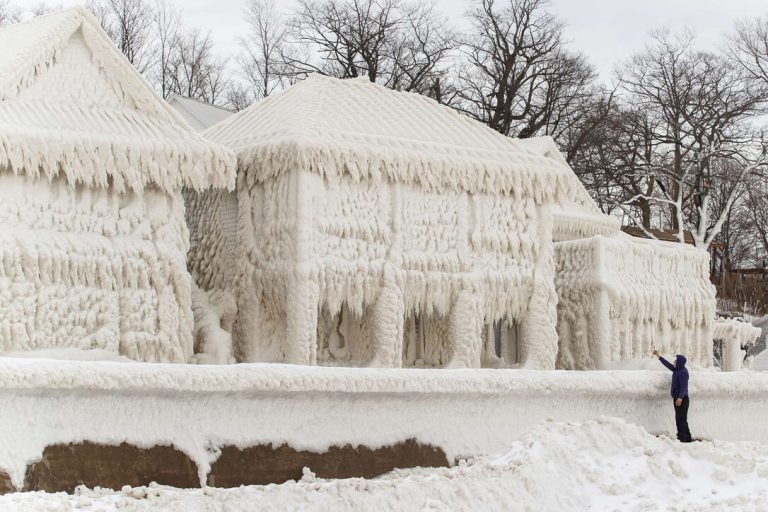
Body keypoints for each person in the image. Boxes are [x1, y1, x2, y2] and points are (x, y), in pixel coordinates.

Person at [653, 350, 692, 443]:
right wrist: (658, 356)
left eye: (676, 361)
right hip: (678, 398)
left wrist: (680, 398)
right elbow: (667, 364)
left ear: (679, 363)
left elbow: (684, 387)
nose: (674, 362)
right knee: (681, 419)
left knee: (680, 419)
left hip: (682, 399)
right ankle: (687, 438)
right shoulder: (677, 369)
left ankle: (682, 439)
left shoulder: (683, 372)